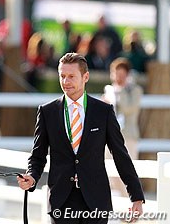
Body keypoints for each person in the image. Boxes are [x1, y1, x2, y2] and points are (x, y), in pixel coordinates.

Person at [17, 52, 144, 223]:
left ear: (86, 77)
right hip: (61, 203)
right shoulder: (48, 112)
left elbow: (121, 155)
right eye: (62, 76)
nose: (65, 81)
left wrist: (136, 196)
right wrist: (31, 177)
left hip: (96, 202)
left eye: (71, 76)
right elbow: (38, 155)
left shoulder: (104, 112)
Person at [102, 57, 143, 197]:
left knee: (128, 174)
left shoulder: (135, 91)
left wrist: (120, 92)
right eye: (116, 74)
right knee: (111, 174)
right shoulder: (109, 91)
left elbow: (128, 109)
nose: (118, 78)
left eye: (121, 74)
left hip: (129, 137)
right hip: (110, 138)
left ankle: (130, 208)